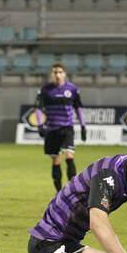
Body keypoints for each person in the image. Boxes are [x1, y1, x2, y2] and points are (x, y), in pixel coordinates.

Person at [35, 63, 88, 192]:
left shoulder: (72, 89)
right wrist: (40, 125)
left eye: (60, 72)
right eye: (55, 72)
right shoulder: (45, 90)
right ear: (51, 74)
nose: (57, 75)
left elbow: (78, 108)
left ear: (64, 73)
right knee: (56, 161)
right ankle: (59, 193)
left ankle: (73, 191)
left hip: (67, 129)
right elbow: (38, 108)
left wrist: (83, 126)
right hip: (52, 130)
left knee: (69, 157)